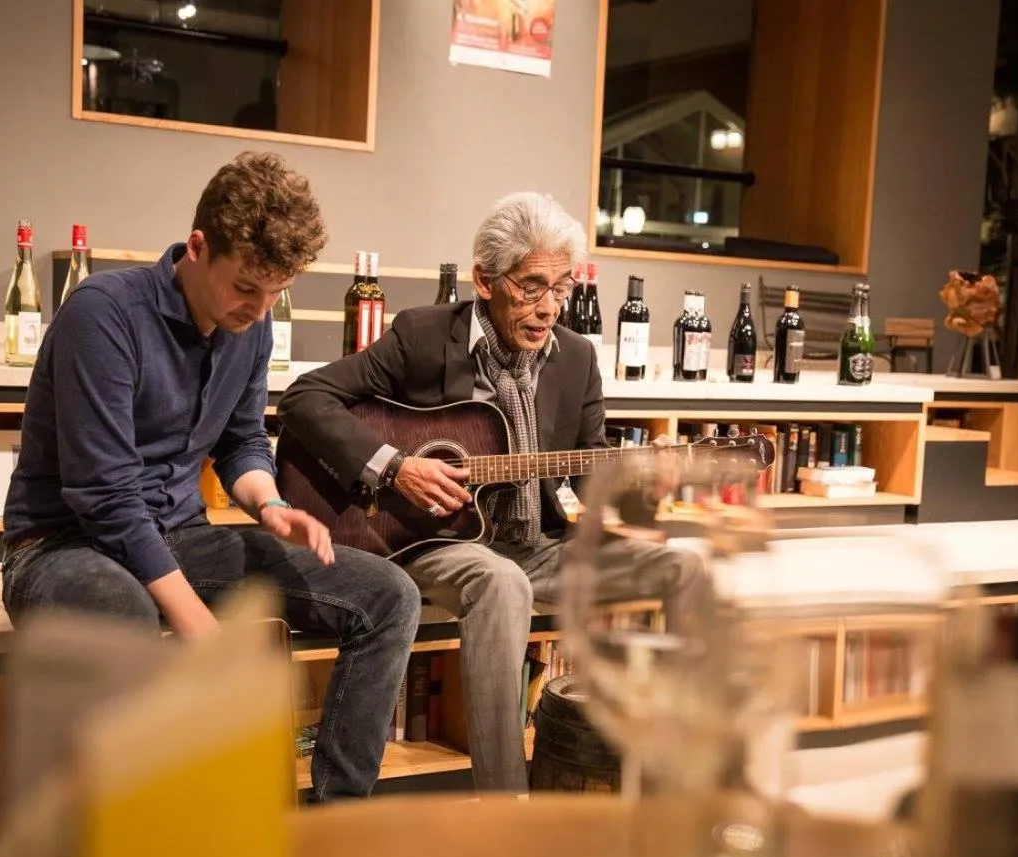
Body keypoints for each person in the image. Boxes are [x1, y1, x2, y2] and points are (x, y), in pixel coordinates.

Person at [0, 151, 421, 802]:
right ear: (198, 247)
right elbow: (105, 497)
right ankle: (136, 848)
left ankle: (334, 824)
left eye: (276, 291)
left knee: (391, 596)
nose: (259, 308)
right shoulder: (103, 315)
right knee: (127, 613)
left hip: (179, 536)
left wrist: (268, 502)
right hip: (61, 547)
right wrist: (200, 624)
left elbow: (241, 438)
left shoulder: (248, 329)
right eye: (246, 288)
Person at [277, 191, 706, 793]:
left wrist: (635, 497)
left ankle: (679, 770)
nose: (549, 306)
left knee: (684, 569)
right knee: (503, 583)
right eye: (532, 286)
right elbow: (305, 398)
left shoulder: (578, 359)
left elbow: (589, 474)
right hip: (434, 540)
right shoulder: (424, 337)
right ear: (485, 280)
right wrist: (397, 467)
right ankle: (504, 804)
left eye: (561, 289)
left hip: (539, 544)